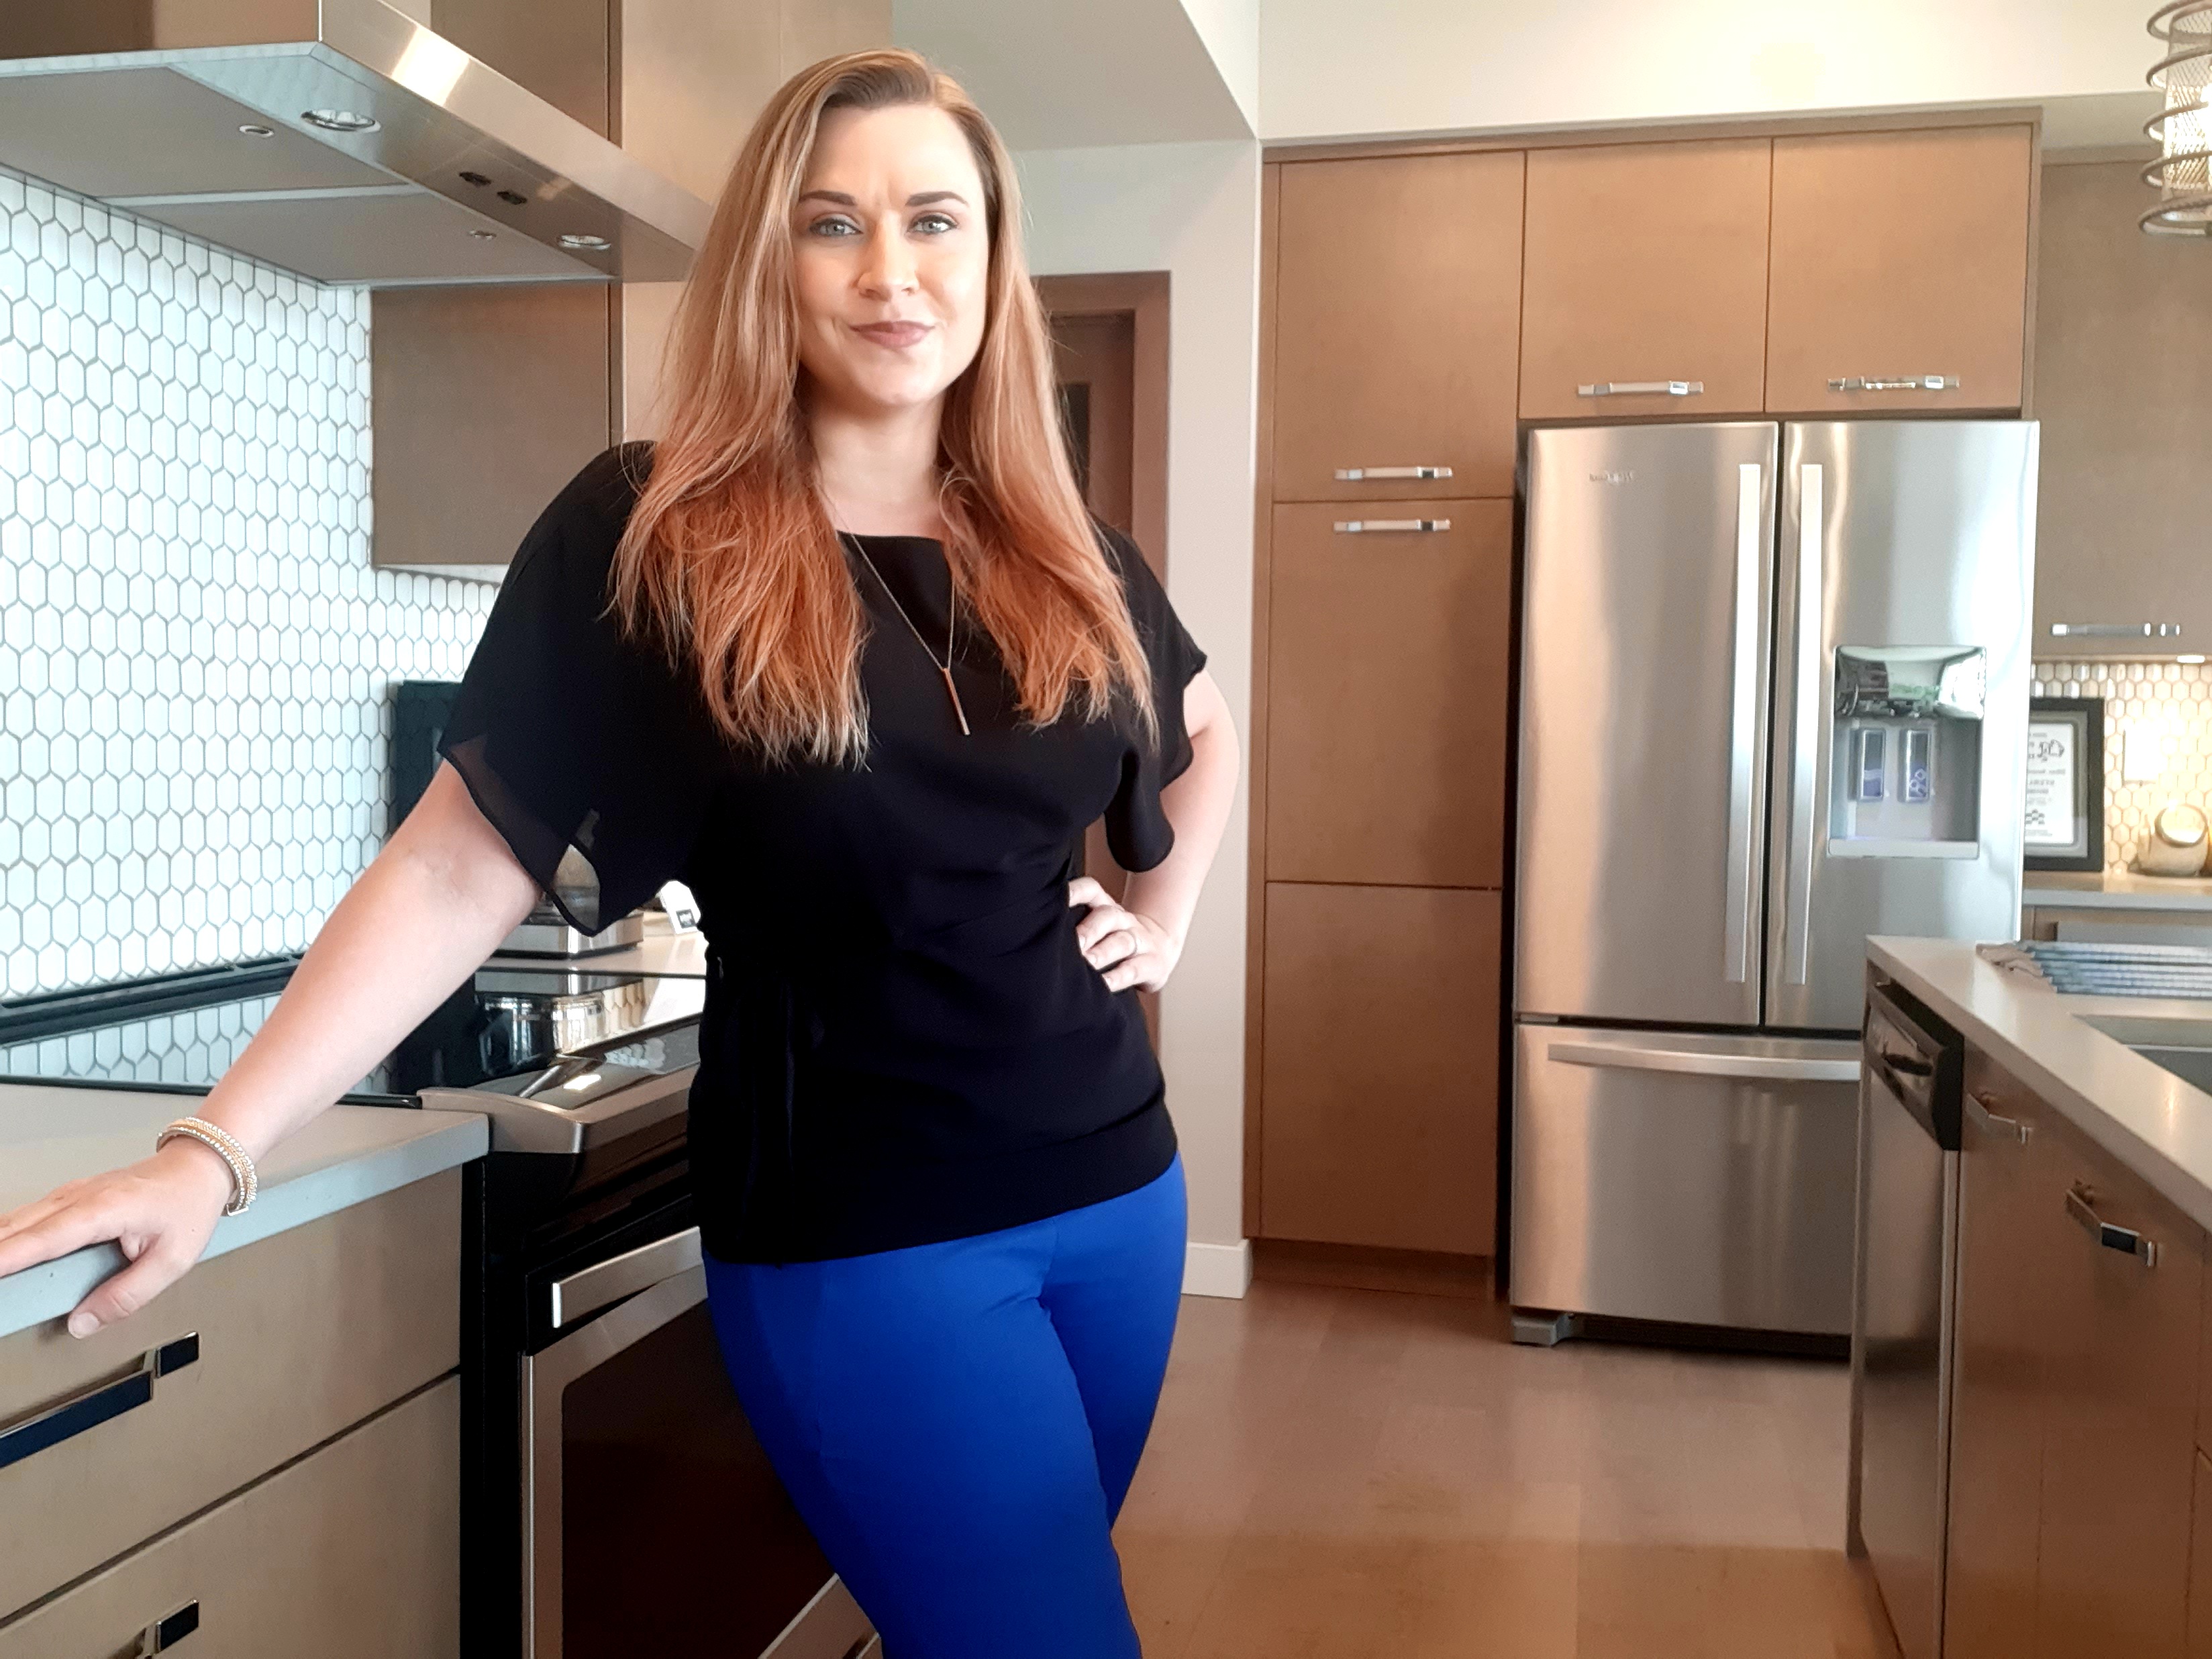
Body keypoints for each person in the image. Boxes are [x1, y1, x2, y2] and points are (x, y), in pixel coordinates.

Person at [0, 46, 1238, 1659]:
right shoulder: (657, 535)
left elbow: (1208, 731)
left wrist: (1170, 920)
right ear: (766, 267)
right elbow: (460, 867)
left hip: (1118, 1191)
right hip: (871, 1237)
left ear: (994, 261)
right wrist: (212, 1152)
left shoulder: (1062, 548)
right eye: (831, 224)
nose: (890, 271)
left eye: (936, 220)